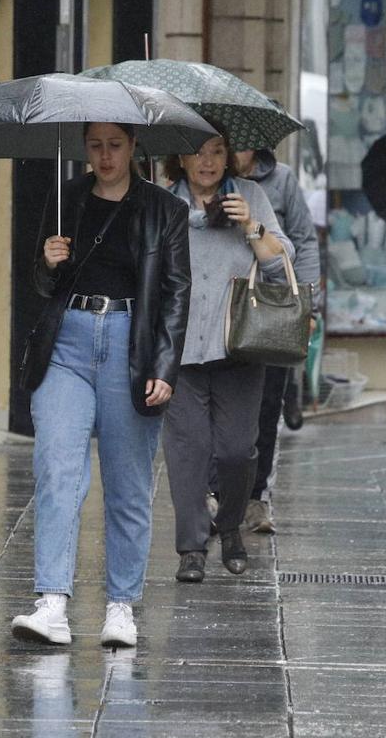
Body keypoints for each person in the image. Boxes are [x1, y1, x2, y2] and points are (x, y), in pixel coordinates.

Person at [11, 122, 190, 648]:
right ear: (83, 148)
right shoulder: (66, 197)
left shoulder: (165, 210)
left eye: (115, 145)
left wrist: (165, 365)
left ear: (134, 146)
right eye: (95, 146)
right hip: (66, 341)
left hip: (131, 345)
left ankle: (120, 607)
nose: (105, 156)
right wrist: (47, 263)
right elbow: (40, 282)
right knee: (57, 469)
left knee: (129, 482)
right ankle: (51, 604)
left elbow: (177, 294)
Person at [163, 127, 293, 584]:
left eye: (217, 151)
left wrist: (251, 227)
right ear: (180, 158)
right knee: (188, 452)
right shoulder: (164, 203)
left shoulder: (251, 195)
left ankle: (231, 524)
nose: (208, 161)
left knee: (238, 451)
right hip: (180, 348)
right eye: (197, 152)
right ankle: (192, 547)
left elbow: (282, 263)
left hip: (239, 342)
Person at [230, 147, 320, 534]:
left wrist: (308, 304)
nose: (236, 150)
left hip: (271, 311)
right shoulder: (208, 181)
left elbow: (304, 240)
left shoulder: (282, 181)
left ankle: (256, 497)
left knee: (267, 409)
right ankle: (217, 492)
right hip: (225, 309)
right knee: (223, 411)